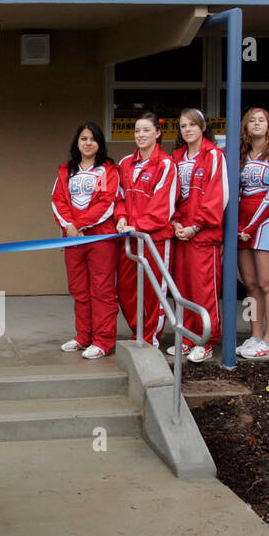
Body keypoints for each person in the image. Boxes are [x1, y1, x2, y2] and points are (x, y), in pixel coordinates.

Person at [51, 121, 118, 360]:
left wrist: (78, 225)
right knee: (79, 290)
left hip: (101, 238)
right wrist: (68, 226)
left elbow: (106, 203)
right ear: (77, 143)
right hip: (73, 240)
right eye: (84, 138)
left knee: (102, 290)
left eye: (93, 139)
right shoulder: (66, 170)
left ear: (99, 143)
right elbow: (57, 200)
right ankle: (84, 336)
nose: (88, 143)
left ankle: (103, 340)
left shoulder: (107, 170)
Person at [113, 112, 177, 350]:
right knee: (126, 290)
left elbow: (163, 207)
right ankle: (137, 331)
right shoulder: (125, 163)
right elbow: (118, 197)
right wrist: (120, 218)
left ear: (158, 133)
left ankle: (150, 336)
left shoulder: (166, 164)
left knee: (153, 291)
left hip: (154, 239)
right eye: (137, 131)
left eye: (146, 130)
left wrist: (137, 226)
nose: (141, 135)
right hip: (128, 239)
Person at [170, 108, 227, 362]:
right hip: (180, 233)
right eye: (183, 126)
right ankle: (187, 336)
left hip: (203, 235)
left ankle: (206, 340)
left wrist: (196, 225)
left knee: (204, 289)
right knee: (182, 288)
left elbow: (218, 195)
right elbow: (170, 196)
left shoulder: (214, 155)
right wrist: (175, 223)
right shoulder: (176, 157)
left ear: (203, 127)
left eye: (193, 125)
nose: (188, 129)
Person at [235, 107, 269, 359]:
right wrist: (238, 226)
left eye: (262, 120)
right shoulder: (242, 154)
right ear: (245, 126)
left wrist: (249, 227)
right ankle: (255, 335)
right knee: (251, 285)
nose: (256, 123)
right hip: (243, 225)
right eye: (251, 120)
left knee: (268, 284)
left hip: (267, 223)